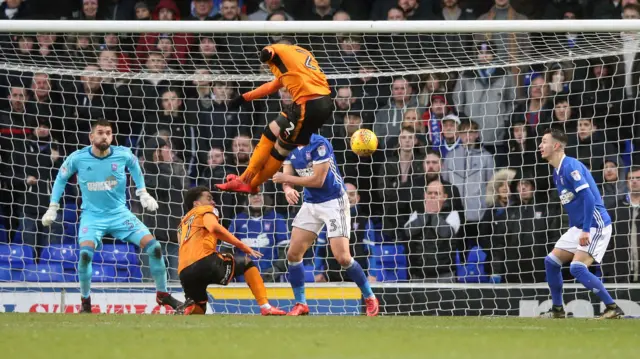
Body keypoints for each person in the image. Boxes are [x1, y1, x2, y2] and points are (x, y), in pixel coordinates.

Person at [41, 119, 182, 313]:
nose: (104, 136)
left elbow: (135, 166)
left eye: (108, 132)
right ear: (91, 136)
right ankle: (85, 302)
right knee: (84, 255)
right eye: (100, 132)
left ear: (112, 135)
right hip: (92, 216)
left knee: (155, 248)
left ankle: (163, 294)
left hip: (120, 215)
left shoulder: (123, 154)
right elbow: (60, 178)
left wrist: (142, 192)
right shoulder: (78, 157)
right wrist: (53, 207)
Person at [271, 134, 379, 316]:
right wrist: (288, 189)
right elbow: (287, 176)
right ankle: (301, 303)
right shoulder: (288, 145)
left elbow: (318, 181)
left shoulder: (319, 143)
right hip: (311, 203)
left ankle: (370, 297)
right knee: (293, 254)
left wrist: (286, 180)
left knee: (343, 258)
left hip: (333, 202)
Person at [216, 41, 332, 194]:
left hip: (308, 104)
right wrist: (243, 98)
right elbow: (271, 86)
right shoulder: (298, 57)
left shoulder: (279, 50)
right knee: (271, 131)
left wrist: (265, 54)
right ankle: (245, 180)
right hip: (316, 101)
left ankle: (248, 182)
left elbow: (268, 51)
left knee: (280, 150)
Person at [538, 128, 624, 319]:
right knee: (551, 262)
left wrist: (585, 230)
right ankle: (558, 310)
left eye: (544, 141)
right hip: (580, 226)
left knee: (577, 268)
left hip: (595, 224)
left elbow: (589, 198)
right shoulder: (557, 171)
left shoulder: (571, 167)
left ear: (557, 145)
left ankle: (612, 307)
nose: (540, 146)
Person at [176, 186, 286, 316]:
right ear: (196, 203)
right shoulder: (206, 210)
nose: (213, 202)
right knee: (246, 262)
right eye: (209, 198)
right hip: (204, 262)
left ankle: (185, 308)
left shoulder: (182, 224)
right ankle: (265, 306)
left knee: (199, 309)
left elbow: (181, 245)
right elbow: (214, 227)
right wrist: (242, 246)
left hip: (184, 271)